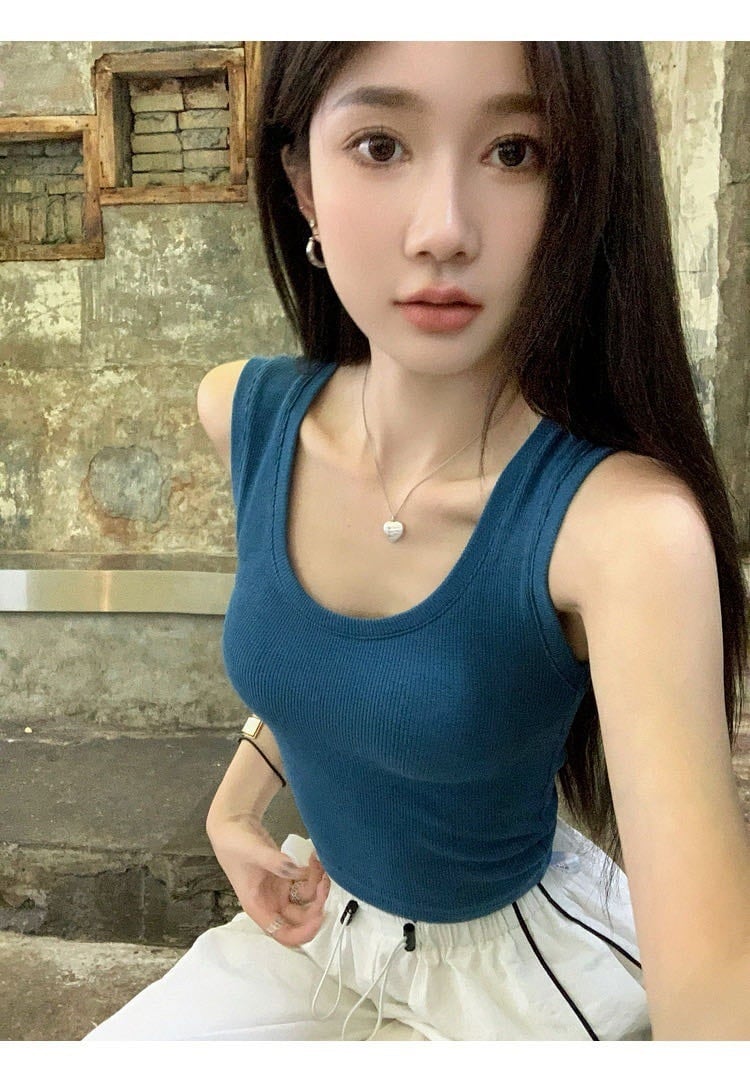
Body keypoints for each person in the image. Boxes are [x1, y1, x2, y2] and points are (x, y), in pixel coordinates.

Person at [84, 41, 749, 1041]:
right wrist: (234, 808)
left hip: (515, 969)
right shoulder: (246, 414)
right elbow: (327, 666)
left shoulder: (622, 531)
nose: (443, 230)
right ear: (302, 182)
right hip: (318, 930)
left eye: (517, 151)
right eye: (380, 144)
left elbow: (718, 990)